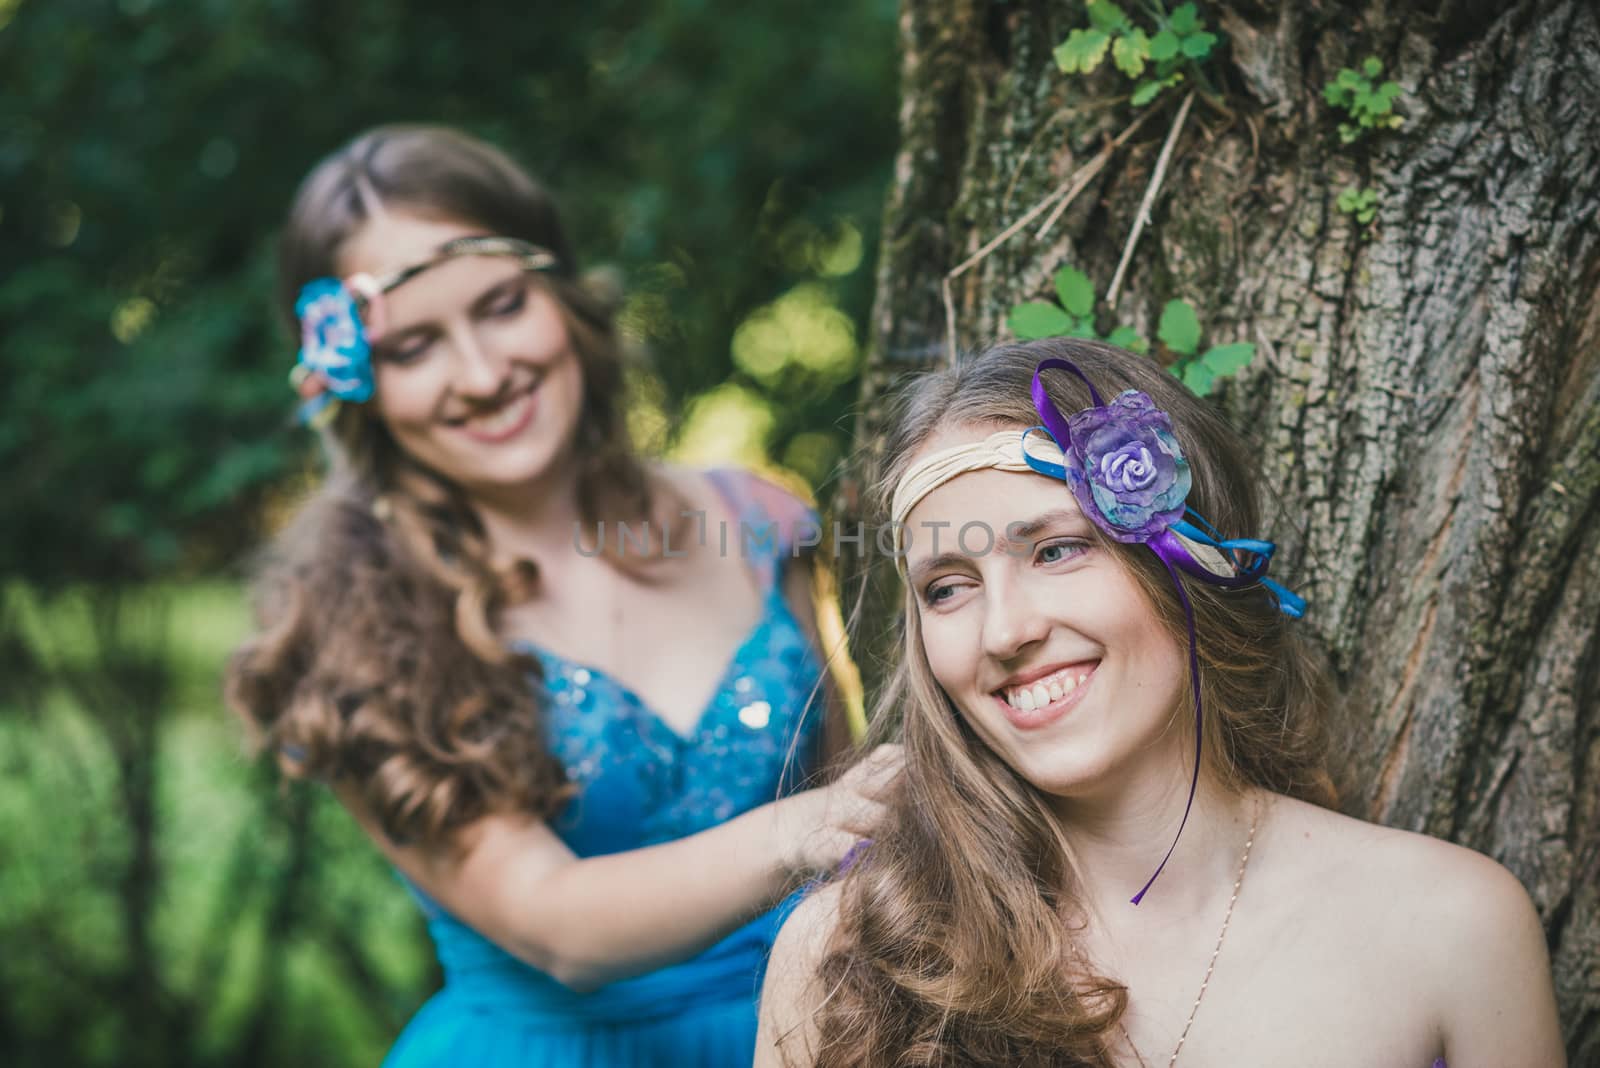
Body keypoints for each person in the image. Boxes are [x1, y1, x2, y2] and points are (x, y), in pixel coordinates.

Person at [225, 124, 898, 1068]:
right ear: (357, 384)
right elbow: (558, 929)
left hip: (814, 1034)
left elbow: (867, 846)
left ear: (563, 294)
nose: (483, 373)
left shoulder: (758, 521)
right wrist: (804, 830)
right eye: (415, 346)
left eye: (501, 305)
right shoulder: (350, 622)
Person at [755, 338, 1565, 1067]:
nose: (1004, 631)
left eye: (1058, 549)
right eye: (948, 588)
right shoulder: (844, 956)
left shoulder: (1455, 927)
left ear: (1192, 561)